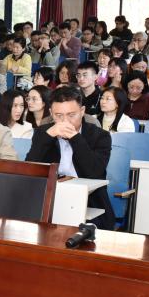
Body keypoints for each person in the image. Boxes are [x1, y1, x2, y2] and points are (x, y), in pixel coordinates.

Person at [25, 86, 115, 229]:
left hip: (89, 201)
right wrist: (48, 137)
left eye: (71, 115)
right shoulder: (44, 133)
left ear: (82, 111)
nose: (65, 121)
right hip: (50, 199)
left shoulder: (100, 136)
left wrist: (75, 138)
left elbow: (94, 172)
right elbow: (30, 169)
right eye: (59, 115)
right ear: (51, 113)